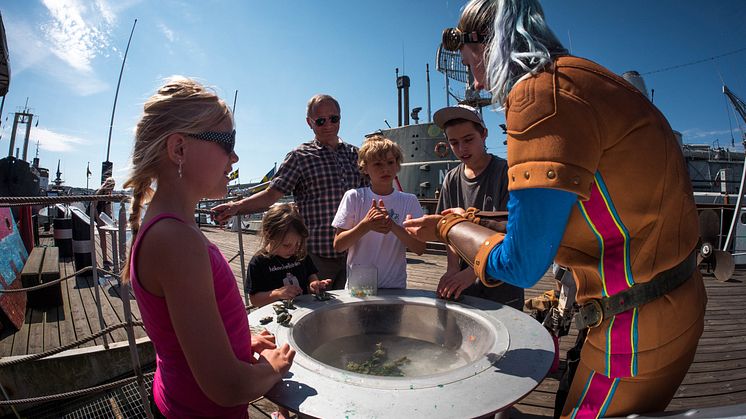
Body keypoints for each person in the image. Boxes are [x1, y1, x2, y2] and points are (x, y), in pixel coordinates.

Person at [403, 1, 707, 417]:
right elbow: (559, 214)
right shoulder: (583, 77)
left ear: (483, 45)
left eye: (469, 60)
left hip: (633, 331)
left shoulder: (536, 94)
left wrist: (449, 225)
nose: (473, 75)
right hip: (673, 302)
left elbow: (523, 265)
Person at [122, 76, 295, 418]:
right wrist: (271, 368)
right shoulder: (177, 241)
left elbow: (182, 338)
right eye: (226, 142)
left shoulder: (169, 228)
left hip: (175, 401)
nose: (234, 156)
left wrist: (238, 345)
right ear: (179, 149)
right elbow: (227, 387)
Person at [213, 94, 367, 290]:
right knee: (318, 316)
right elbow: (271, 195)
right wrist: (236, 207)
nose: (328, 124)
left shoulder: (358, 156)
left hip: (356, 255)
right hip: (316, 258)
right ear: (309, 123)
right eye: (320, 121)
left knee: (356, 312)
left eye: (334, 118)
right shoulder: (300, 157)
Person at [432, 104, 523, 309]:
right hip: (464, 283)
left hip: (502, 281)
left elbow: (510, 233)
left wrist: (469, 274)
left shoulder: (506, 173)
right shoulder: (451, 180)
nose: (462, 149)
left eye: (468, 140)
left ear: (484, 134)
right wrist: (452, 270)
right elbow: (449, 231)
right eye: (454, 142)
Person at [332, 135, 425, 290]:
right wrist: (366, 225)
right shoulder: (354, 197)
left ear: (397, 165)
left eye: (390, 162)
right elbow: (339, 245)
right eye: (377, 164)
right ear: (365, 168)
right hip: (360, 288)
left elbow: (420, 249)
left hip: (395, 287)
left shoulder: (409, 201)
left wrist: (393, 226)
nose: (385, 169)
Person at [247, 203, 332, 307]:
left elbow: (311, 275)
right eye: (286, 245)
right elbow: (255, 300)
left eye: (298, 243)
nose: (293, 249)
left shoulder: (300, 253)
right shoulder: (258, 262)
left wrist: (314, 284)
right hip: (276, 314)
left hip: (303, 310)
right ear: (268, 235)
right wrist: (277, 294)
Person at [93, 177, 116, 268]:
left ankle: (113, 258)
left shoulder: (108, 194)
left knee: (113, 234)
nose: (112, 189)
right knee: (103, 238)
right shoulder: (99, 192)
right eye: (111, 186)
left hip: (104, 217)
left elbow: (108, 209)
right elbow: (94, 207)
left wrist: (111, 220)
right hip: (98, 216)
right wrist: (98, 220)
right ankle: (105, 259)